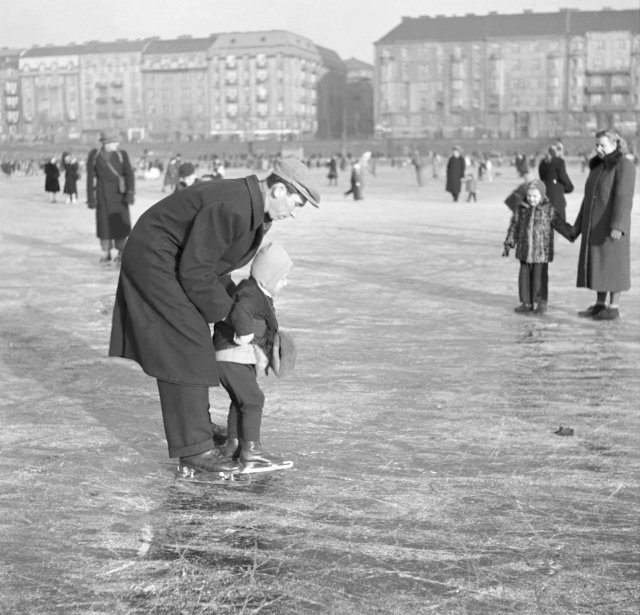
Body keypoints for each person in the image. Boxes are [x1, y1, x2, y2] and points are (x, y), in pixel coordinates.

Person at [108, 157, 320, 478]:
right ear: (278, 189)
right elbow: (195, 270)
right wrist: (229, 312)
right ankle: (194, 448)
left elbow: (213, 265)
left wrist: (240, 309)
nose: (293, 212)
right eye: (296, 203)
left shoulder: (250, 210)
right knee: (184, 340)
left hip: (174, 258)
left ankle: (196, 423)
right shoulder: (234, 207)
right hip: (155, 258)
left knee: (193, 339)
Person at [214, 242, 295, 471]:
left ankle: (234, 444)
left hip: (234, 358)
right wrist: (245, 334)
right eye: (281, 278)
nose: (285, 283)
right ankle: (252, 452)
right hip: (233, 356)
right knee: (253, 400)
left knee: (241, 402)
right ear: (266, 278)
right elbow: (240, 311)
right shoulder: (250, 292)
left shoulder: (259, 293)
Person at [571, 129, 636, 321]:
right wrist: (578, 225)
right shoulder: (598, 167)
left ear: (616, 144)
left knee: (613, 265)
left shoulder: (624, 165)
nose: (598, 149)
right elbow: (587, 199)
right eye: (597, 145)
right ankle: (599, 305)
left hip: (611, 226)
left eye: (603, 145)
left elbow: (624, 198)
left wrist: (618, 225)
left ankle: (613, 306)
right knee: (598, 265)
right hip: (594, 224)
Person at [502, 179, 574, 314]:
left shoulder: (548, 210)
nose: (531, 199)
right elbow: (514, 227)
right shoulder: (521, 209)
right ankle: (526, 302)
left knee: (539, 278)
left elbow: (560, 224)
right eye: (529, 196)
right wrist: (509, 242)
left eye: (535, 196)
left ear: (542, 196)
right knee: (524, 279)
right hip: (524, 250)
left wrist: (572, 233)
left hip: (541, 252)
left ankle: (541, 303)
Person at [86, 130, 135, 264]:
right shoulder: (95, 155)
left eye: (116, 141)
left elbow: (129, 174)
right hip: (102, 194)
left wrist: (130, 193)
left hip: (120, 194)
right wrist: (91, 198)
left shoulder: (122, 155)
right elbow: (90, 178)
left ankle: (121, 251)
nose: (116, 144)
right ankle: (106, 252)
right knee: (104, 225)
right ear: (105, 143)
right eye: (113, 142)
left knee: (120, 224)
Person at [538, 142, 574, 220]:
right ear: (559, 151)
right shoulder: (559, 161)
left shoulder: (542, 162)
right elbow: (563, 177)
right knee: (558, 221)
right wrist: (569, 187)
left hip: (545, 192)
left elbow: (541, 177)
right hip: (556, 195)